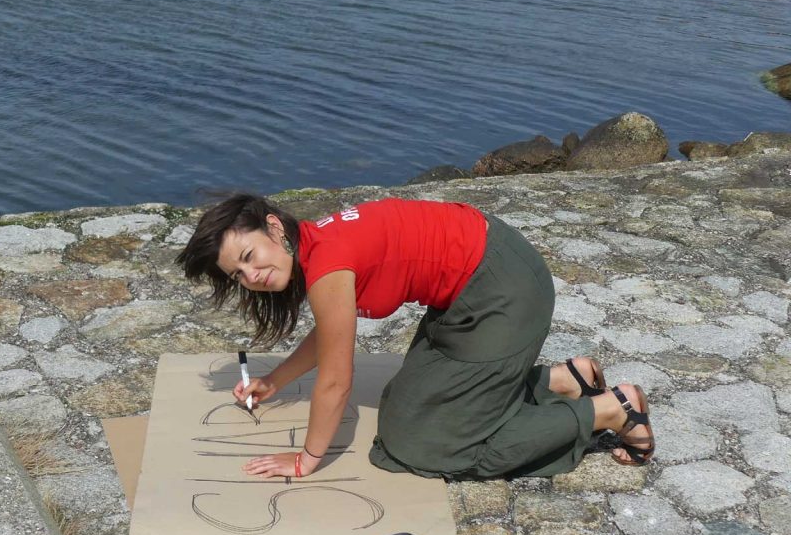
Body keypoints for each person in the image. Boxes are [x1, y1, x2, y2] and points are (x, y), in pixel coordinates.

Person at [176, 193, 654, 480]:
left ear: (274, 228)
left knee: (427, 447)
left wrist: (306, 459)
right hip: (471, 290)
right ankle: (564, 379)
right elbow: (332, 333)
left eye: (249, 254)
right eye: (237, 273)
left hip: (503, 294)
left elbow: (337, 381)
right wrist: (277, 380)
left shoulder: (327, 264)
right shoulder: (316, 248)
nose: (251, 275)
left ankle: (610, 408)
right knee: (403, 410)